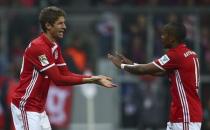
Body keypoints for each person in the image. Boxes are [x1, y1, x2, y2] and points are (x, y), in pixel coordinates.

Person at [11, 6, 117, 130]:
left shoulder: (54, 47)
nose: (64, 27)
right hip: (26, 105)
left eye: (64, 23)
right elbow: (58, 79)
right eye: (60, 23)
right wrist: (93, 80)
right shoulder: (38, 48)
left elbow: (66, 73)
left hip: (38, 108)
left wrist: (93, 77)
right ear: (48, 25)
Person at [108, 22, 203, 130]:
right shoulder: (190, 54)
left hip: (186, 116)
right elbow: (156, 71)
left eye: (164, 34)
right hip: (183, 114)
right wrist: (131, 64)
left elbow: (143, 70)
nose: (161, 37)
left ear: (172, 38)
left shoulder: (176, 55)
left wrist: (122, 66)